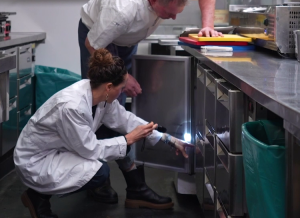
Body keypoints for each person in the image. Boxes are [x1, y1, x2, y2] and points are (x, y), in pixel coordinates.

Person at [76, 0, 222, 203]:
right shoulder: (122, 8)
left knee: (121, 109)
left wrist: (208, 25)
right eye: (169, 12)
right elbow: (92, 44)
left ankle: (134, 186)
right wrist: (124, 77)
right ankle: (98, 181)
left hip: (126, 40)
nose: (174, 18)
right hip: (98, 38)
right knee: (101, 108)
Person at [15, 50, 191, 218]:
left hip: (61, 147)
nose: (122, 92)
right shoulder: (72, 106)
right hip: (37, 160)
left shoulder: (99, 94)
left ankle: (137, 190)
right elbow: (91, 151)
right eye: (121, 89)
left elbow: (125, 120)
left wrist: (168, 139)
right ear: (109, 87)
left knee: (116, 129)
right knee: (100, 173)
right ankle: (38, 195)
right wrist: (129, 139)